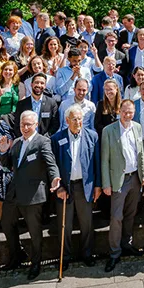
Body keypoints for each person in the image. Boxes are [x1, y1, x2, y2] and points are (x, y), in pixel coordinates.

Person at [0, 111, 61, 279]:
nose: (25, 128)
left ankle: (36, 262)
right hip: (14, 193)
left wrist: (55, 177)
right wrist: (3, 152)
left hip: (33, 195)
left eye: (28, 125)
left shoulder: (43, 142)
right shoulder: (17, 142)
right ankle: (16, 255)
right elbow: (8, 165)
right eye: (22, 125)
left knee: (34, 231)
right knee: (6, 223)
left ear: (36, 125)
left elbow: (50, 162)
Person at [51, 106, 101, 269]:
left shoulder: (92, 136)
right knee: (65, 225)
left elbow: (97, 163)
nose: (78, 122)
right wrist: (58, 187)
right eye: (74, 119)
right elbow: (53, 166)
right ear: (67, 121)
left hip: (84, 186)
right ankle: (65, 257)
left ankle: (87, 254)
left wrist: (97, 185)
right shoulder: (57, 138)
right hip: (65, 187)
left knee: (86, 223)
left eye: (80, 118)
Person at [101, 99, 144, 272]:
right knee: (116, 217)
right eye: (125, 112)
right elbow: (104, 159)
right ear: (119, 111)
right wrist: (106, 183)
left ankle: (126, 244)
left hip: (135, 177)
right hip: (118, 179)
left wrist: (143, 175)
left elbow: (140, 153)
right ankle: (114, 253)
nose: (128, 115)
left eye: (131, 112)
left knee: (130, 214)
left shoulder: (137, 127)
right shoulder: (108, 130)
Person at [14, 73, 60, 138]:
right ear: (31, 84)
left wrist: (44, 138)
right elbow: (17, 125)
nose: (39, 85)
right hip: (26, 140)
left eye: (42, 83)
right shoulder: (21, 104)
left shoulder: (52, 103)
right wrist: (25, 137)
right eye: (36, 82)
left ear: (45, 86)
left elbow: (55, 125)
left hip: (45, 141)